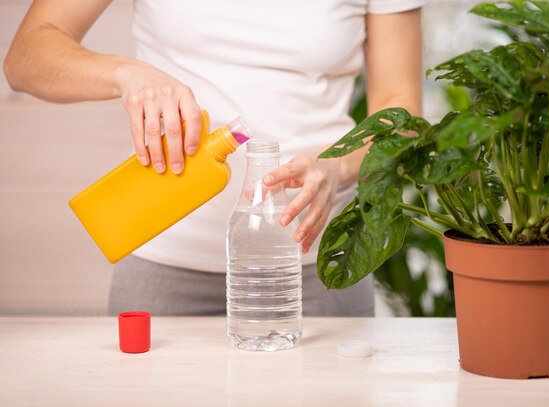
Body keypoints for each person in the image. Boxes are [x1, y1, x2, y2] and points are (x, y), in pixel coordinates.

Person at [4, 0, 424, 316]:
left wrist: (337, 166)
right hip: (164, 263)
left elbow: (402, 112)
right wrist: (127, 73)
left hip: (318, 269)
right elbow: (26, 56)